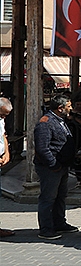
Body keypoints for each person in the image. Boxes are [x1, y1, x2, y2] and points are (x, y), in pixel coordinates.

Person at [33, 95, 78, 240]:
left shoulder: (61, 121)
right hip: (50, 168)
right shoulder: (45, 123)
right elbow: (42, 148)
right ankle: (46, 228)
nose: (71, 109)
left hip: (62, 166)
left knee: (60, 196)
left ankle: (59, 222)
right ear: (60, 108)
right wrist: (53, 164)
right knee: (48, 198)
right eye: (68, 106)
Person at [0, 97, 14, 237]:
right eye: (2, 114)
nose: (3, 117)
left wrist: (6, 152)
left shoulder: (1, 120)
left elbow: (3, 135)